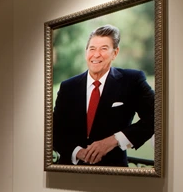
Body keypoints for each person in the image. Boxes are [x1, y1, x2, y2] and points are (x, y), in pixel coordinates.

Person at [52, 25, 155, 167]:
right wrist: (77, 152)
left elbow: (157, 116)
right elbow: (55, 130)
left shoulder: (132, 81)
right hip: (69, 171)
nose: (96, 54)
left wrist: (115, 140)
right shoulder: (68, 87)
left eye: (104, 49)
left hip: (113, 172)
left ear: (115, 53)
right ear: (86, 52)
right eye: (92, 49)